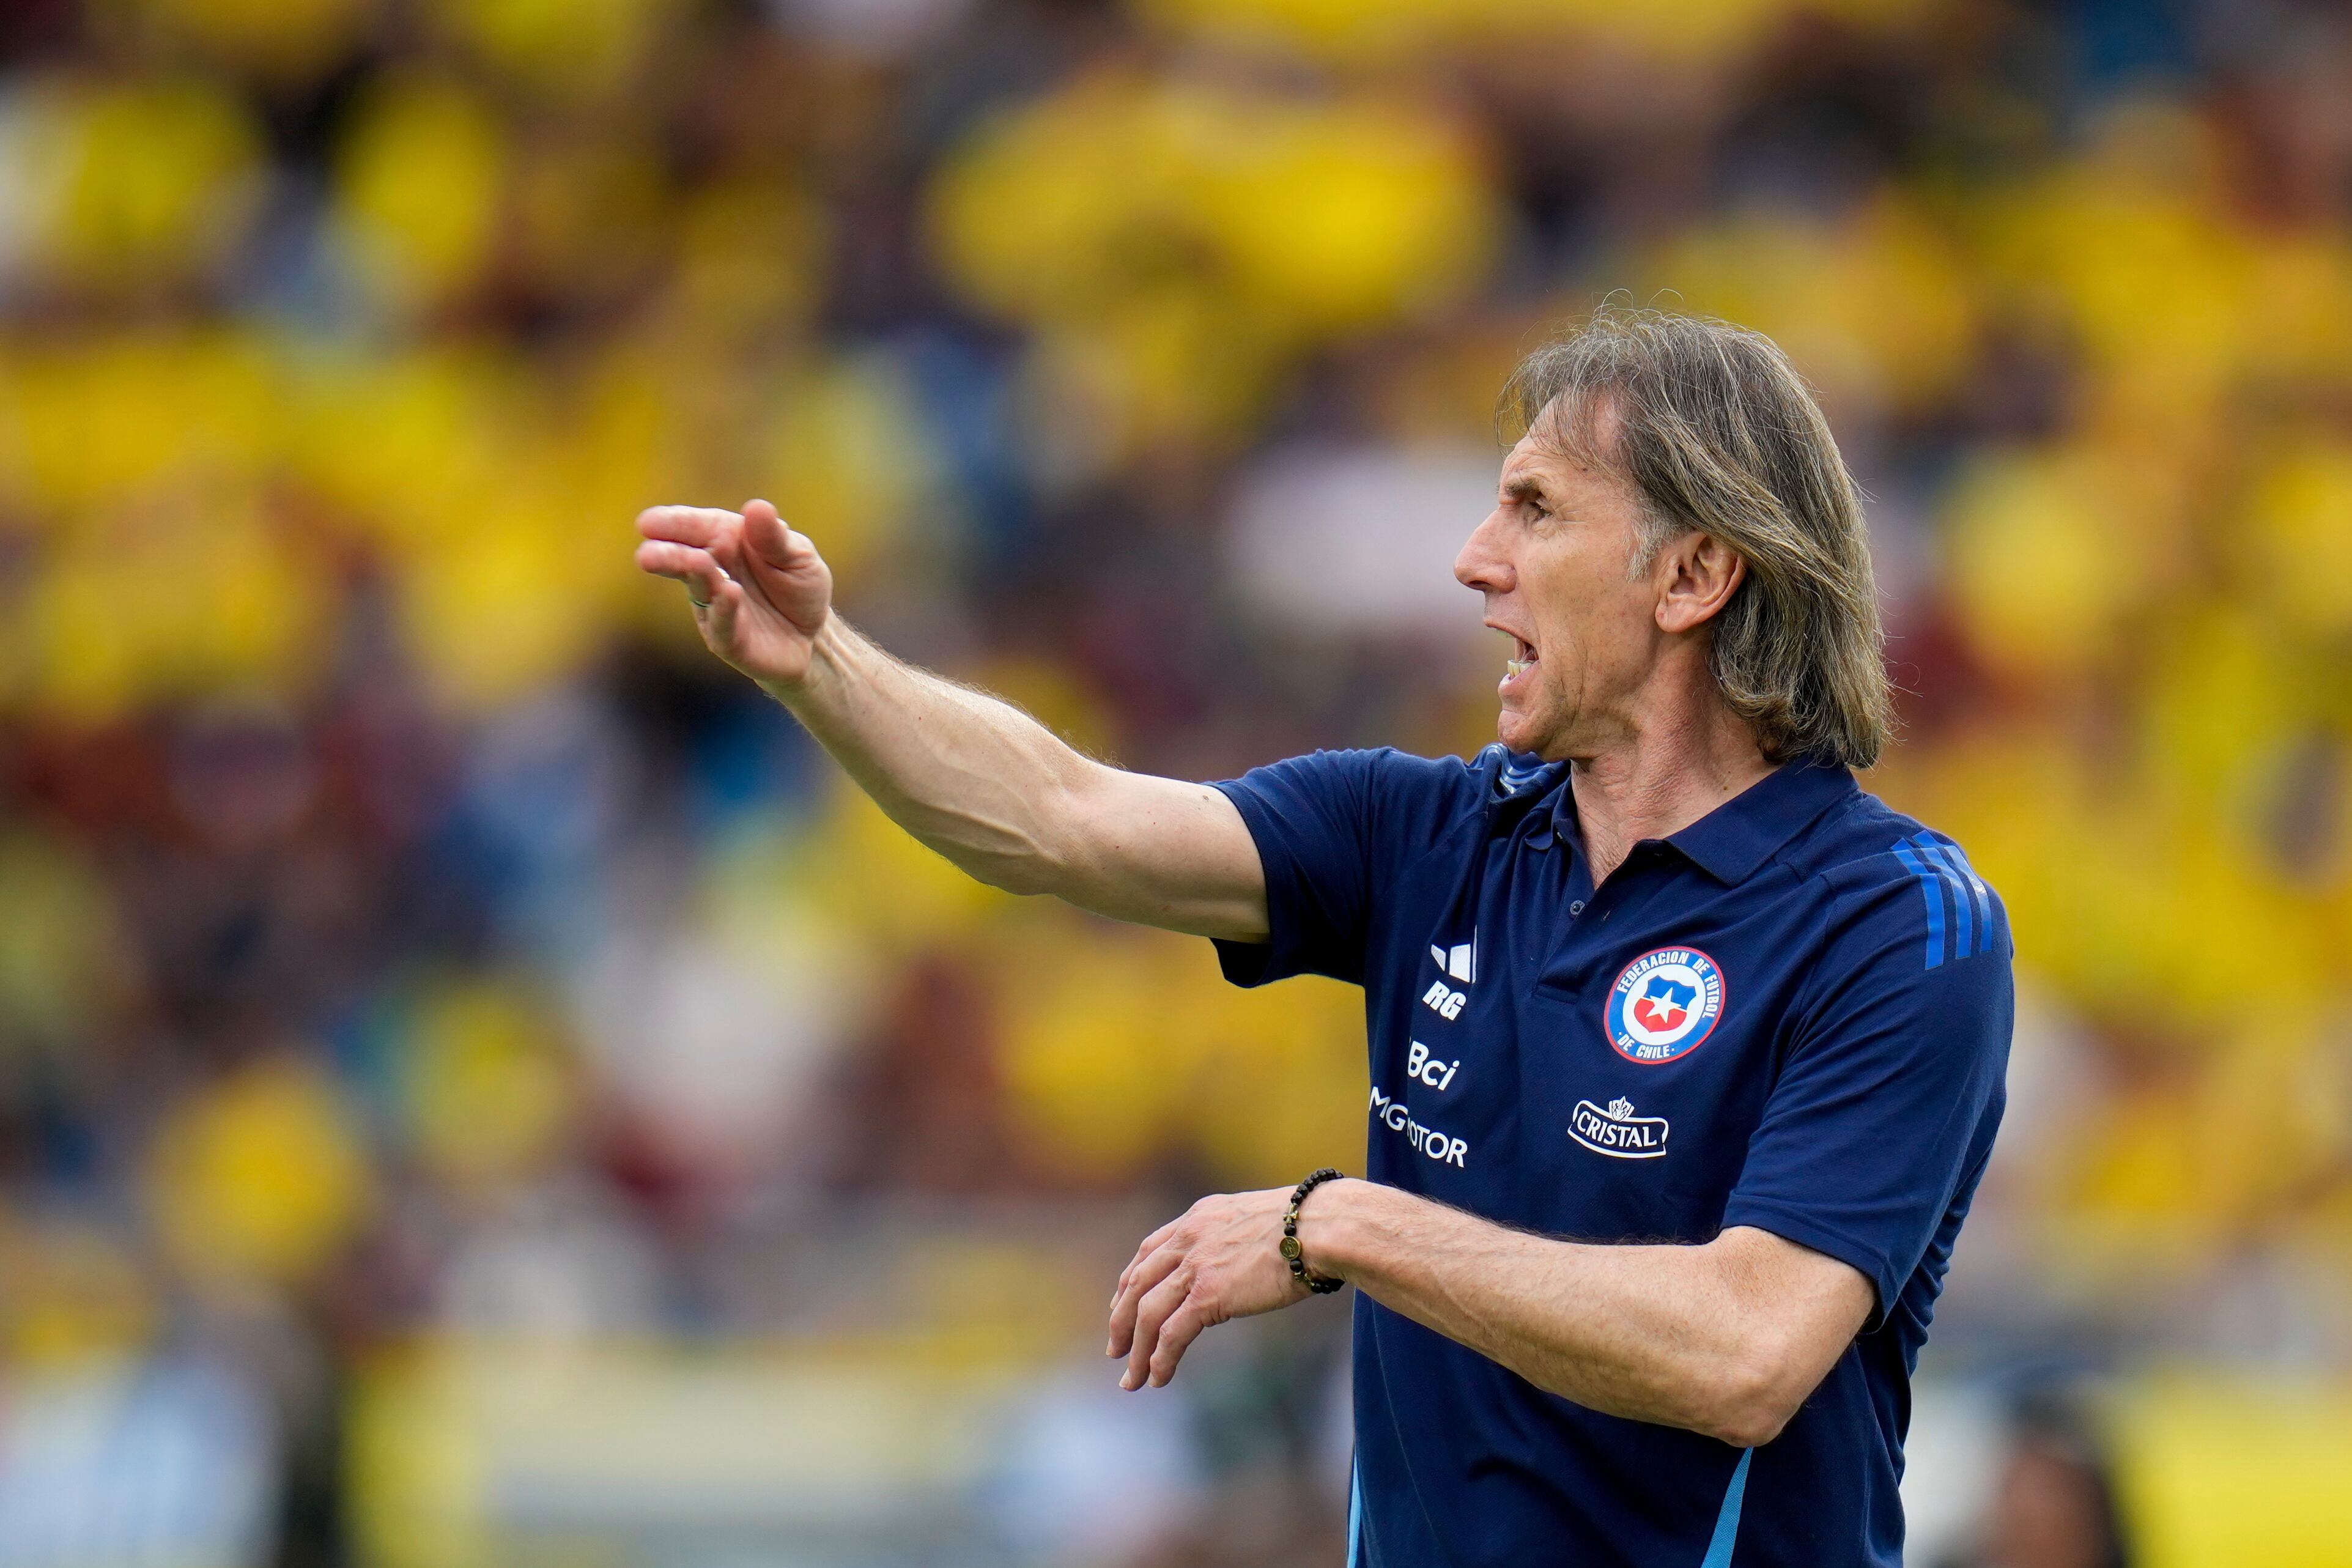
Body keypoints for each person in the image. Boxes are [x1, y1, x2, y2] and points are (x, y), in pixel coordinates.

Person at [633, 307, 2013, 1567]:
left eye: (1536, 511)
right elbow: (1063, 819)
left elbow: (1746, 1351)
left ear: (1695, 571)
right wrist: (827, 666)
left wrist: (1346, 1226)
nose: (1478, 563)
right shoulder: (1427, 833)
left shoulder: (1894, 918)